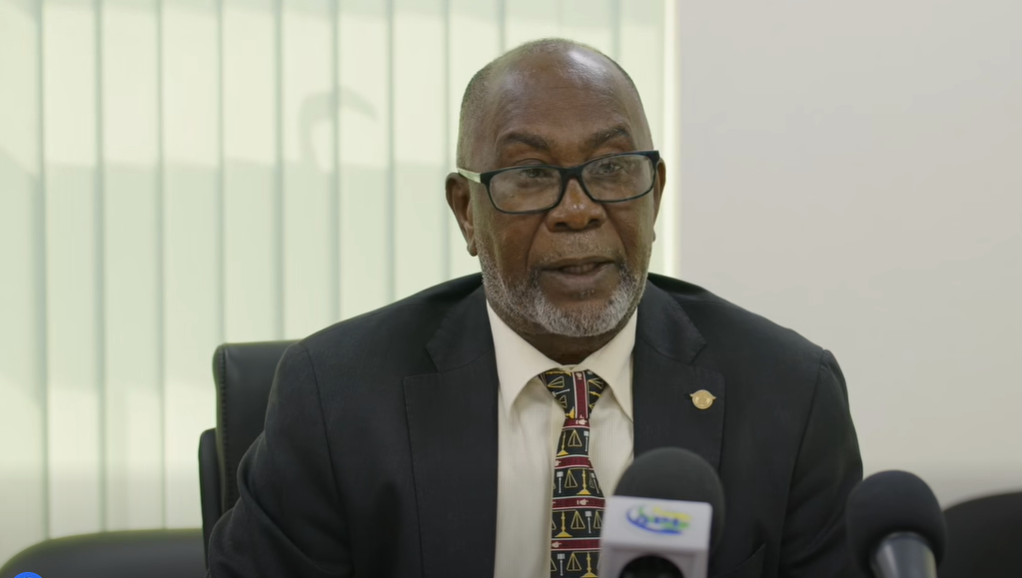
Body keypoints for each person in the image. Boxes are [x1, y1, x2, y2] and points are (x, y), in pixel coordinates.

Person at [206, 38, 862, 578]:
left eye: (612, 168)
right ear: (467, 213)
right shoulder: (337, 399)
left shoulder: (788, 396)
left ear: (655, 193)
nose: (577, 210)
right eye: (531, 175)